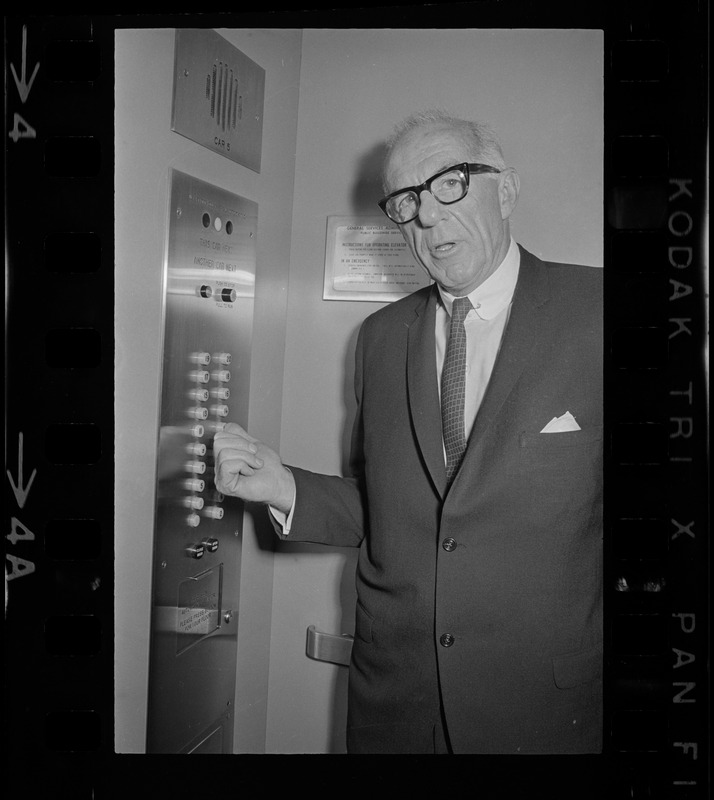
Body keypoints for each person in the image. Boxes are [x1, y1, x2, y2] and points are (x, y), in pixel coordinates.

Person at [213, 110, 603, 755]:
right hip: (396, 707)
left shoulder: (598, 313)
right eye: (405, 199)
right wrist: (284, 487)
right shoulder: (379, 337)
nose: (426, 215)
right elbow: (398, 511)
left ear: (504, 189)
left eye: (449, 182)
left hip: (547, 711)